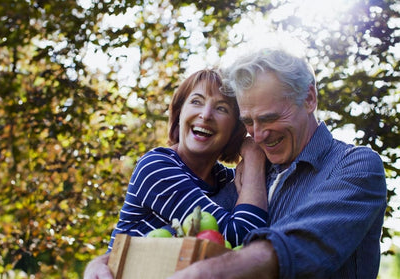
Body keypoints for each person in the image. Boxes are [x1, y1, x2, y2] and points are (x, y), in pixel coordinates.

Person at [169, 47, 387, 279]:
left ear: (309, 98)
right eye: (248, 122)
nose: (259, 136)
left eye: (269, 118)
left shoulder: (356, 166)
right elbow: (196, 223)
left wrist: (205, 273)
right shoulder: (253, 174)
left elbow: (301, 244)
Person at [84, 68, 269, 278]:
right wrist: (254, 158)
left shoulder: (225, 179)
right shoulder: (156, 168)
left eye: (221, 108)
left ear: (235, 129)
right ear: (180, 112)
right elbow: (243, 236)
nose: (206, 115)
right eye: (196, 101)